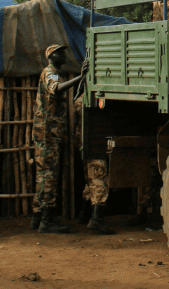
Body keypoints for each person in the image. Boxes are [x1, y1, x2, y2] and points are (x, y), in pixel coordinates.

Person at [30, 44, 85, 234]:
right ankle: (47, 221)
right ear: (51, 56)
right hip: (47, 133)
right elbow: (56, 89)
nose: (64, 55)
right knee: (49, 176)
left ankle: (38, 217)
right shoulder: (50, 73)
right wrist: (80, 78)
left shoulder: (53, 72)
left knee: (43, 175)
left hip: (48, 132)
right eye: (60, 53)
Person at [72, 95, 114, 235]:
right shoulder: (96, 97)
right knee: (99, 178)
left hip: (83, 143)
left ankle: (84, 215)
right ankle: (96, 219)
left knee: (91, 179)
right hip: (94, 142)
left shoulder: (79, 99)